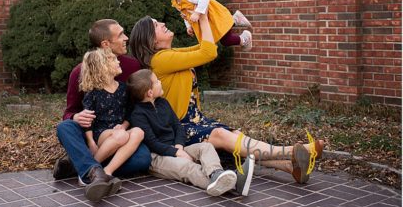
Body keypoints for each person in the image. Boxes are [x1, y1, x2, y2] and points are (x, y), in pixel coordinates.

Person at [127, 14, 325, 184]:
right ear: (152, 40)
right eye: (156, 25)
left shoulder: (170, 54)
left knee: (235, 136)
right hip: (180, 126)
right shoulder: (160, 60)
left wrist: (202, 22)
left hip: (195, 119)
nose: (162, 23)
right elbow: (208, 52)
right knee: (223, 135)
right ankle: (291, 151)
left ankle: (289, 167)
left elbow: (207, 46)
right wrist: (202, 16)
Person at [54, 19, 151, 202]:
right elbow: (69, 111)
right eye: (120, 35)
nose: (126, 38)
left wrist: (125, 127)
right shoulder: (80, 71)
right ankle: (92, 170)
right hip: (94, 131)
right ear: (106, 44)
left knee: (143, 159)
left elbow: (135, 107)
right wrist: (76, 116)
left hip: (121, 133)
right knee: (64, 127)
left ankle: (82, 166)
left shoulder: (132, 67)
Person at [127, 69, 248, 196]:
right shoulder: (138, 115)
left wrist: (179, 145)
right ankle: (234, 183)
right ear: (150, 92)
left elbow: (178, 126)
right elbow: (152, 143)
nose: (160, 82)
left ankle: (216, 173)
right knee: (187, 166)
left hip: (177, 147)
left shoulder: (163, 103)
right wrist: (176, 152)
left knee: (206, 147)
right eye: (157, 81)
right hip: (157, 156)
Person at [78, 48, 144, 202]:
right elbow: (88, 119)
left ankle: (107, 172)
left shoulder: (123, 88)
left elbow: (129, 113)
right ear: (102, 66)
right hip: (101, 133)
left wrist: (123, 126)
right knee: (121, 136)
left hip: (120, 131)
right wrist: (91, 143)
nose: (118, 61)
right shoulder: (93, 91)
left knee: (139, 132)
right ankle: (88, 172)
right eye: (113, 60)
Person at [158, 0, 254, 50]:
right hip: (208, 21)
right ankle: (235, 20)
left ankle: (244, 38)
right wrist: (188, 26)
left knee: (225, 40)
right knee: (220, 38)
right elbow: (185, 15)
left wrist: (197, 13)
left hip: (212, 15)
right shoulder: (176, 3)